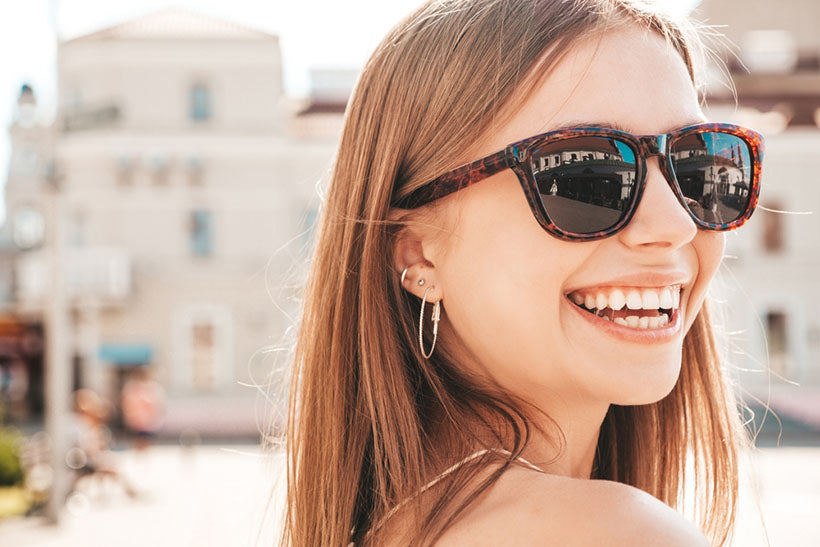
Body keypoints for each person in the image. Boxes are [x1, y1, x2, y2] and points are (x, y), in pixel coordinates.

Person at [278, 1, 764, 545]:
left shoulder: (396, 527)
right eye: (586, 174)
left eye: (699, 165)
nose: (674, 224)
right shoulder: (616, 534)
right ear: (418, 254)